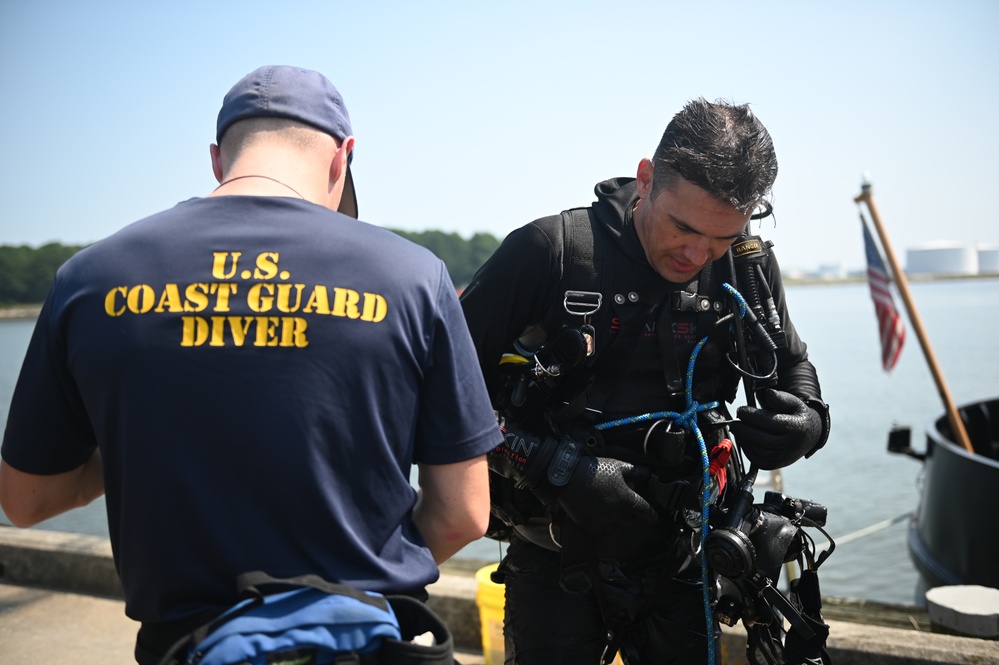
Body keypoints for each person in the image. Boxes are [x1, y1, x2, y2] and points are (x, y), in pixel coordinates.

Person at [0, 65, 501, 664]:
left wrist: (138, 431)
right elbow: (465, 513)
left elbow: (27, 499)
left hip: (189, 645)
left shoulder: (89, 278)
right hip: (368, 641)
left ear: (218, 159)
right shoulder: (414, 275)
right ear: (343, 158)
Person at [459, 98, 831, 664]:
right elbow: (440, 389)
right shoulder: (549, 253)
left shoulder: (747, 266)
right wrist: (556, 470)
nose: (696, 254)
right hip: (555, 552)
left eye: (721, 238)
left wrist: (807, 420)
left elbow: (793, 367)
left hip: (684, 554)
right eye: (683, 227)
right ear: (646, 178)